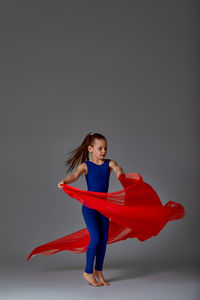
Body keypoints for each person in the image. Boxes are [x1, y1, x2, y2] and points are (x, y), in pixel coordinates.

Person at [57, 132, 124, 287]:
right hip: (89, 208)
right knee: (95, 238)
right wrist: (64, 181)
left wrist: (119, 172)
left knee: (104, 240)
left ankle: (98, 271)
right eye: (100, 148)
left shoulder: (109, 163)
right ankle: (88, 272)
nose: (104, 151)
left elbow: (116, 167)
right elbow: (74, 176)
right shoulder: (86, 166)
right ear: (90, 149)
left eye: (105, 148)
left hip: (104, 208)